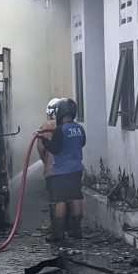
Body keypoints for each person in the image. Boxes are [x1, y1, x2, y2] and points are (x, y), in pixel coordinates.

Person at [38, 98, 86, 241]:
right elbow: (82, 143)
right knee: (76, 198)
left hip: (61, 172)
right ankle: (76, 231)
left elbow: (55, 149)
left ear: (60, 112)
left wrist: (44, 140)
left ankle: (58, 234)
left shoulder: (60, 130)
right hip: (77, 170)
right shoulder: (79, 128)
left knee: (60, 201)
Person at [35, 98, 60, 233]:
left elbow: (41, 147)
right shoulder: (67, 125)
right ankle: (67, 225)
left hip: (52, 170)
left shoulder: (47, 126)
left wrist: (45, 161)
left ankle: (55, 226)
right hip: (68, 170)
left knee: (54, 199)